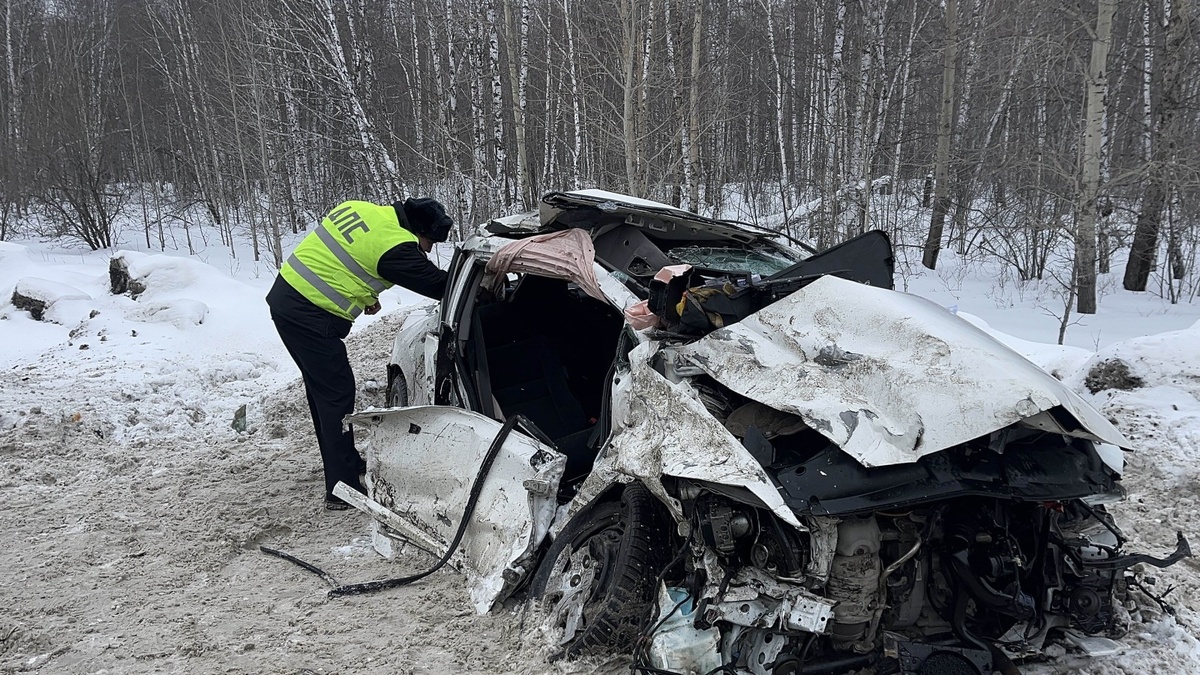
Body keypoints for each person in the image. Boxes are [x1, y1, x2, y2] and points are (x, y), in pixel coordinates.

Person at [267, 197, 452, 510]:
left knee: (324, 395)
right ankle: (342, 489)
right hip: (310, 316)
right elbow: (442, 286)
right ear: (418, 230)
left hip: (288, 300)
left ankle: (346, 465)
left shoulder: (362, 210)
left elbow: (342, 256)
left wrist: (364, 293)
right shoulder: (395, 245)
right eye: (429, 242)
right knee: (336, 396)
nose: (428, 250)